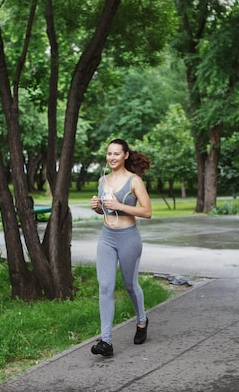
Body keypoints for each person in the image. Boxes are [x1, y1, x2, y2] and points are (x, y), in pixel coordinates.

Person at [89, 138, 152, 357]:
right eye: (109, 154)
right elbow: (106, 212)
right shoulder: (102, 180)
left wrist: (120, 206)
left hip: (128, 238)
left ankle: (142, 321)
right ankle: (106, 341)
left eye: (116, 154)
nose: (112, 157)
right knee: (105, 287)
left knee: (130, 285)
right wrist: (98, 207)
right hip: (107, 238)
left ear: (125, 155)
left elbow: (147, 211)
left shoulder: (134, 181)